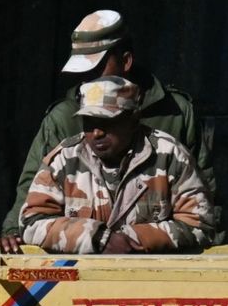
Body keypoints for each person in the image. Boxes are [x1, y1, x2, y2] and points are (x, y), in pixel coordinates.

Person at [0, 9, 214, 253]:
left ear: (126, 61)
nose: (96, 132)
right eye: (83, 71)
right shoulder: (64, 120)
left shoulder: (176, 114)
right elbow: (34, 193)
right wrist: (14, 233)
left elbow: (205, 202)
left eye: (97, 68)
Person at [19, 76, 214, 253]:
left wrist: (133, 239)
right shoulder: (64, 159)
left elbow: (200, 225)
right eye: (88, 122)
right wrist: (97, 238)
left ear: (133, 120)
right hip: (79, 284)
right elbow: (31, 222)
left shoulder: (169, 156)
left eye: (106, 122)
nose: (96, 133)